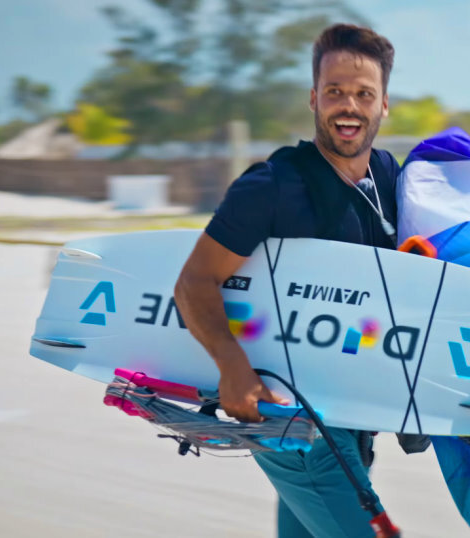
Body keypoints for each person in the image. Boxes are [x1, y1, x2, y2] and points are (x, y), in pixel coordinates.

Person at [174, 23, 412, 538]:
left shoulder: (390, 179)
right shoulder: (273, 186)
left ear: (384, 104)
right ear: (313, 98)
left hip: (354, 416)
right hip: (294, 419)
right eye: (335, 92)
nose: (349, 106)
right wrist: (233, 367)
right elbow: (194, 282)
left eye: (363, 94)